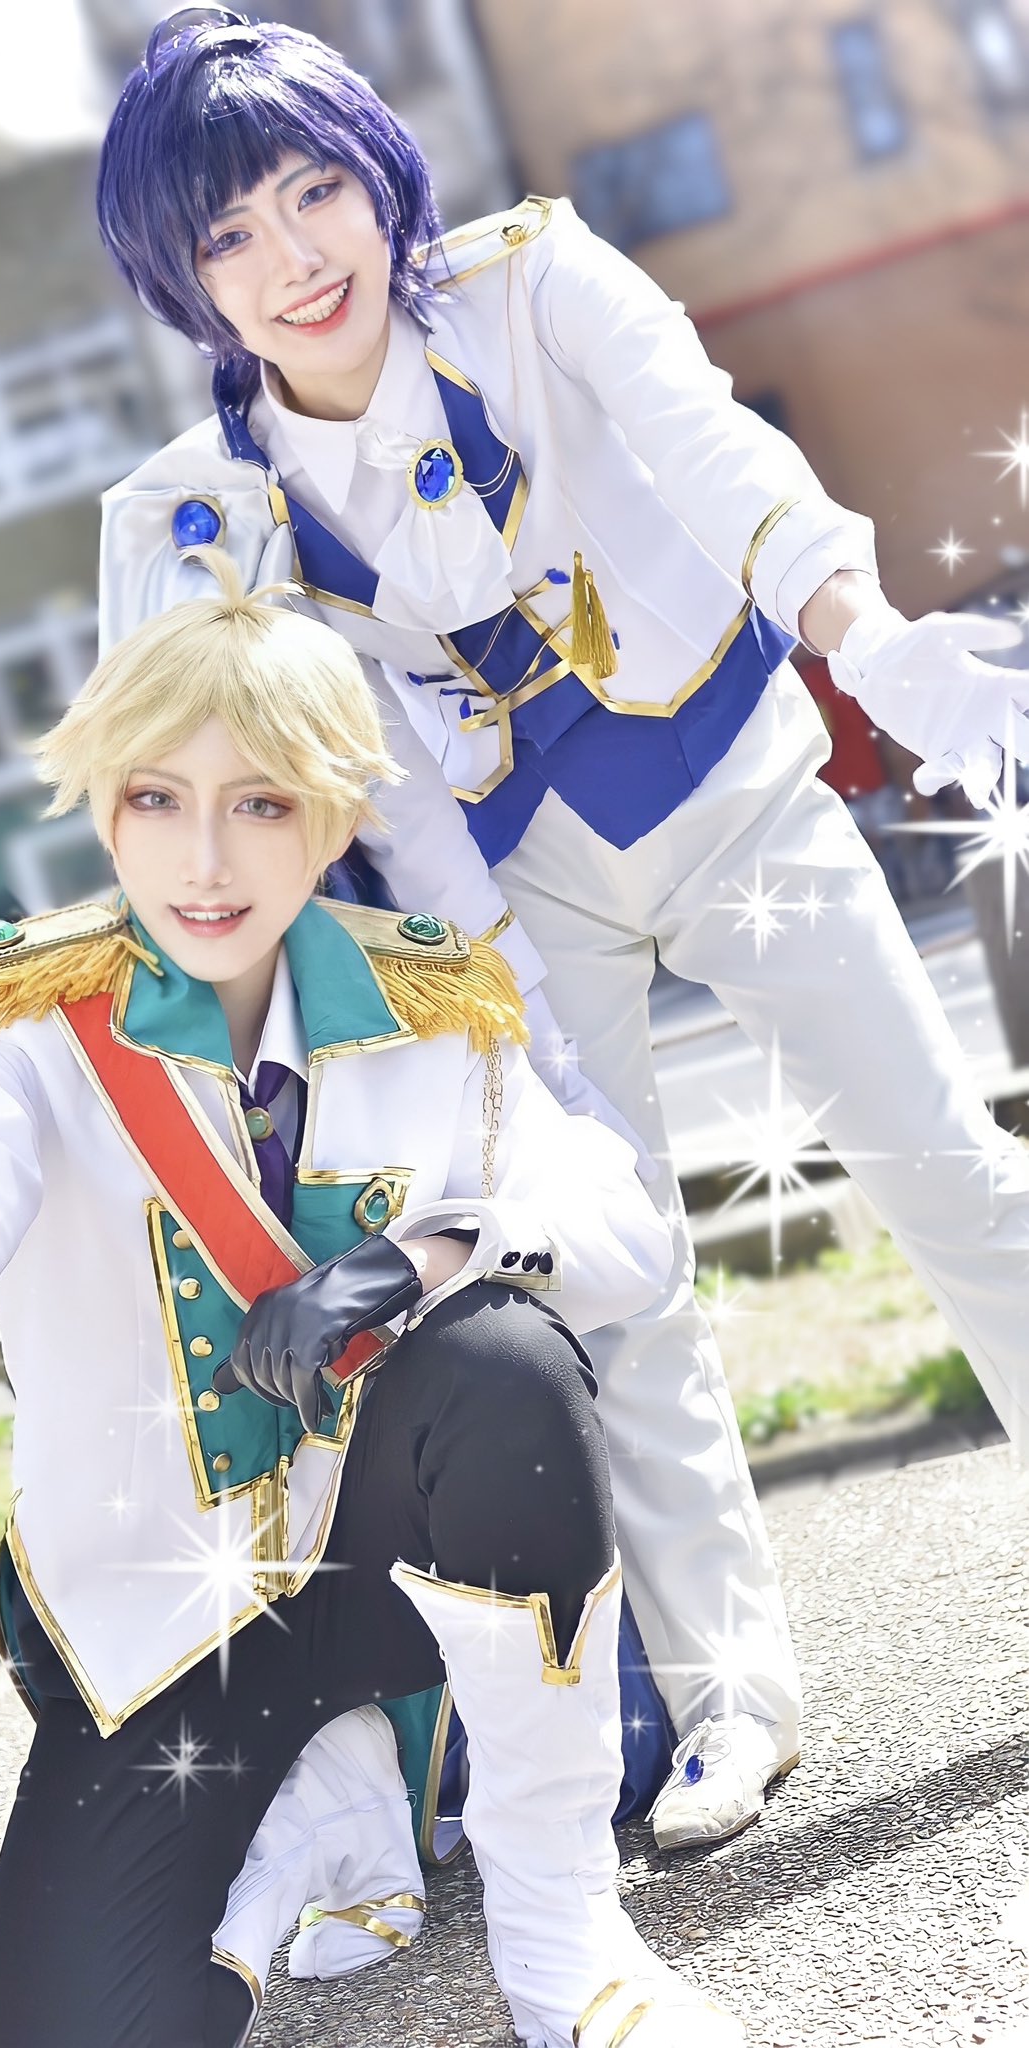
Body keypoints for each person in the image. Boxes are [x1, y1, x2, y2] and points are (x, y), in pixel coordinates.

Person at [93, 8, 1029, 1850]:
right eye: (228, 237)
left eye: (314, 190)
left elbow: (726, 468)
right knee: (625, 1289)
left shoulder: (538, 285)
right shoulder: (222, 506)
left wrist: (877, 647)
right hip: (521, 886)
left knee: (946, 1169)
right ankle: (732, 1701)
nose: (294, 260)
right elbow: (362, 787)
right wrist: (507, 1015)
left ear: (379, 173)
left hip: (737, 792)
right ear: (181, 286)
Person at [0, 551, 742, 2047]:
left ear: (333, 816)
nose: (203, 860)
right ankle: (322, 1814)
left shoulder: (435, 1005)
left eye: (258, 804)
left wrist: (429, 1257)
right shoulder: (20, 1028)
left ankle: (563, 1931)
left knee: (508, 1365)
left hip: (401, 1582)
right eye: (154, 798)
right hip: (167, 1625)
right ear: (103, 810)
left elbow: (628, 1231)